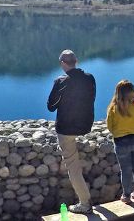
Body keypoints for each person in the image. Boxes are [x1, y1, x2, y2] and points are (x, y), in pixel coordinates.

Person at [47, 49, 96, 214]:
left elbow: (51, 107)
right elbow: (91, 99)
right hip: (85, 126)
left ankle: (85, 203)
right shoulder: (89, 78)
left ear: (62, 64)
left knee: (73, 166)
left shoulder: (61, 81)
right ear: (76, 61)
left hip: (66, 129)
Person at [106, 80, 134, 204]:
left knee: (126, 170)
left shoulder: (113, 108)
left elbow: (110, 127)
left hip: (121, 142)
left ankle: (126, 196)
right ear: (133, 92)